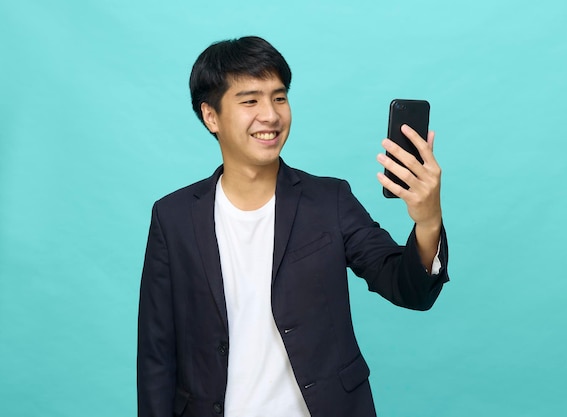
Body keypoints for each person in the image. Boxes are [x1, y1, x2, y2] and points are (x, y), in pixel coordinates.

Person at [137, 36, 449, 417]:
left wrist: (428, 219)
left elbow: (408, 289)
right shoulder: (173, 217)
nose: (270, 115)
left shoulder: (329, 200)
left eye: (279, 97)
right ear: (211, 116)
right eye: (250, 100)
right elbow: (156, 353)